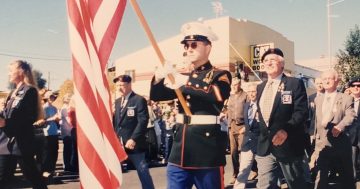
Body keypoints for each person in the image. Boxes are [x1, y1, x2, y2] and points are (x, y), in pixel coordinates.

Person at [150, 21, 231, 189]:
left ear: (208, 47)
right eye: (186, 45)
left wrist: (185, 80)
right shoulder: (181, 76)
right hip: (179, 151)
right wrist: (158, 77)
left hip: (206, 152)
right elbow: (157, 96)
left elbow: (218, 94)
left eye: (194, 44)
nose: (189, 49)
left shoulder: (220, 74)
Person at [255, 48, 309, 189]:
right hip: (265, 146)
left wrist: (286, 130)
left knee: (296, 184)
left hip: (288, 144)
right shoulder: (260, 87)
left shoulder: (293, 83)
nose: (268, 63)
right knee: (264, 185)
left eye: (272, 60)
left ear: (282, 64)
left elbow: (301, 112)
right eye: (265, 61)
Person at [0, 60, 47, 189]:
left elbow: (27, 117)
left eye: (11, 70)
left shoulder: (29, 91)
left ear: (20, 72)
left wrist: (5, 122)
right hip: (5, 143)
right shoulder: (12, 93)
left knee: (32, 176)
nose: (8, 74)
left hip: (21, 143)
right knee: (2, 179)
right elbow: (6, 114)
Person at [310, 70, 356, 189]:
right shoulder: (318, 99)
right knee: (320, 177)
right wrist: (314, 138)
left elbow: (351, 116)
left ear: (337, 81)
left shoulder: (346, 98)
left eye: (329, 78)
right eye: (324, 79)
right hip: (322, 145)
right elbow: (316, 121)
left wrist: (340, 127)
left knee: (347, 178)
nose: (326, 81)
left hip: (340, 144)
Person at [113, 75, 155, 189]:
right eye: (117, 85)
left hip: (133, 143)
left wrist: (133, 138)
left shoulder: (138, 100)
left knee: (142, 170)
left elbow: (142, 121)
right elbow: (116, 122)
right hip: (119, 143)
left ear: (129, 84)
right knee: (112, 171)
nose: (119, 88)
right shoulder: (117, 102)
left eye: (121, 85)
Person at [233, 83, 260, 189]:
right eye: (249, 92)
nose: (251, 94)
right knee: (243, 168)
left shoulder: (263, 105)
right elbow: (247, 121)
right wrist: (245, 128)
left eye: (254, 91)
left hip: (260, 142)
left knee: (265, 170)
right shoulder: (247, 105)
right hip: (247, 142)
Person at [227, 78, 247, 184]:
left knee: (244, 151)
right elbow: (228, 110)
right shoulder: (230, 97)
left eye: (237, 84)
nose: (235, 86)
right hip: (232, 126)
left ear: (240, 84)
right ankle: (235, 173)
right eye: (233, 85)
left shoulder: (245, 95)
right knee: (233, 152)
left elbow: (249, 111)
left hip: (242, 125)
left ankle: (253, 169)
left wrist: (247, 126)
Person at [41, 91, 59, 177]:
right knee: (46, 153)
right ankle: (44, 171)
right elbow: (42, 121)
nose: (53, 98)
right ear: (47, 97)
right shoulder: (44, 108)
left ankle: (52, 170)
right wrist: (53, 118)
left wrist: (57, 120)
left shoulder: (55, 108)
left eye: (54, 97)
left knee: (54, 152)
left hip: (54, 132)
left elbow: (57, 120)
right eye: (51, 96)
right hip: (46, 133)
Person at [349, 77, 360, 180]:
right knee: (351, 160)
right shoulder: (346, 101)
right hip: (350, 136)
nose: (356, 87)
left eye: (358, 85)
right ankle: (352, 180)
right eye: (353, 85)